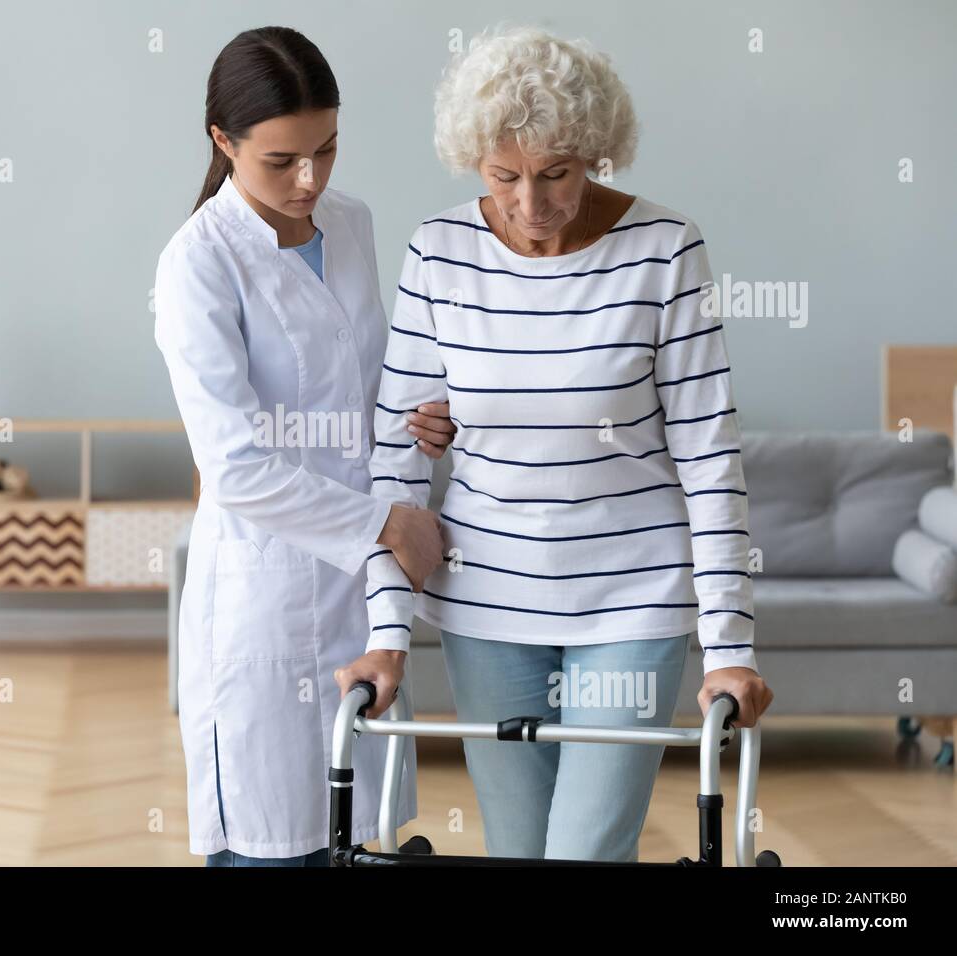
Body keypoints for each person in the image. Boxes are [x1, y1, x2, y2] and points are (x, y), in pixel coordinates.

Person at [335, 24, 774, 862]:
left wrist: (730, 648)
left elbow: (711, 460)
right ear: (475, 162)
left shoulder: (665, 251)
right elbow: (396, 463)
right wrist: (386, 638)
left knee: (584, 852)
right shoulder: (439, 254)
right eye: (505, 177)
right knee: (517, 848)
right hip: (485, 598)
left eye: (556, 174)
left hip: (633, 597)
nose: (530, 205)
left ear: (597, 155)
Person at [153, 26, 454, 866]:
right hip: (264, 594)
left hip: (359, 599)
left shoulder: (350, 225)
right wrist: (387, 526)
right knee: (272, 842)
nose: (310, 179)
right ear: (223, 141)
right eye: (282, 161)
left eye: (326, 149)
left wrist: (417, 421)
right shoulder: (198, 264)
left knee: (361, 842)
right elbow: (237, 469)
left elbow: (362, 389)